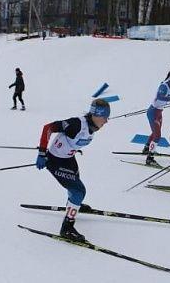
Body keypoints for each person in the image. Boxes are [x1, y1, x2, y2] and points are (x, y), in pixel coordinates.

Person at [35, 99, 110, 242]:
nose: (106, 121)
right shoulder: (76, 124)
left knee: (75, 185)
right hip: (55, 161)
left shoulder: (92, 126)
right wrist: (42, 153)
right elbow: (48, 128)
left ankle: (74, 205)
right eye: (105, 117)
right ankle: (67, 228)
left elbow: (72, 141)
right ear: (96, 115)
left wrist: (73, 149)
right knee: (79, 191)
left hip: (68, 159)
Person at [144, 69, 170, 166]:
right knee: (157, 136)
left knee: (155, 133)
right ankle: (149, 158)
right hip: (153, 112)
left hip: (159, 112)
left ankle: (147, 148)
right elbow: (160, 96)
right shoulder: (164, 86)